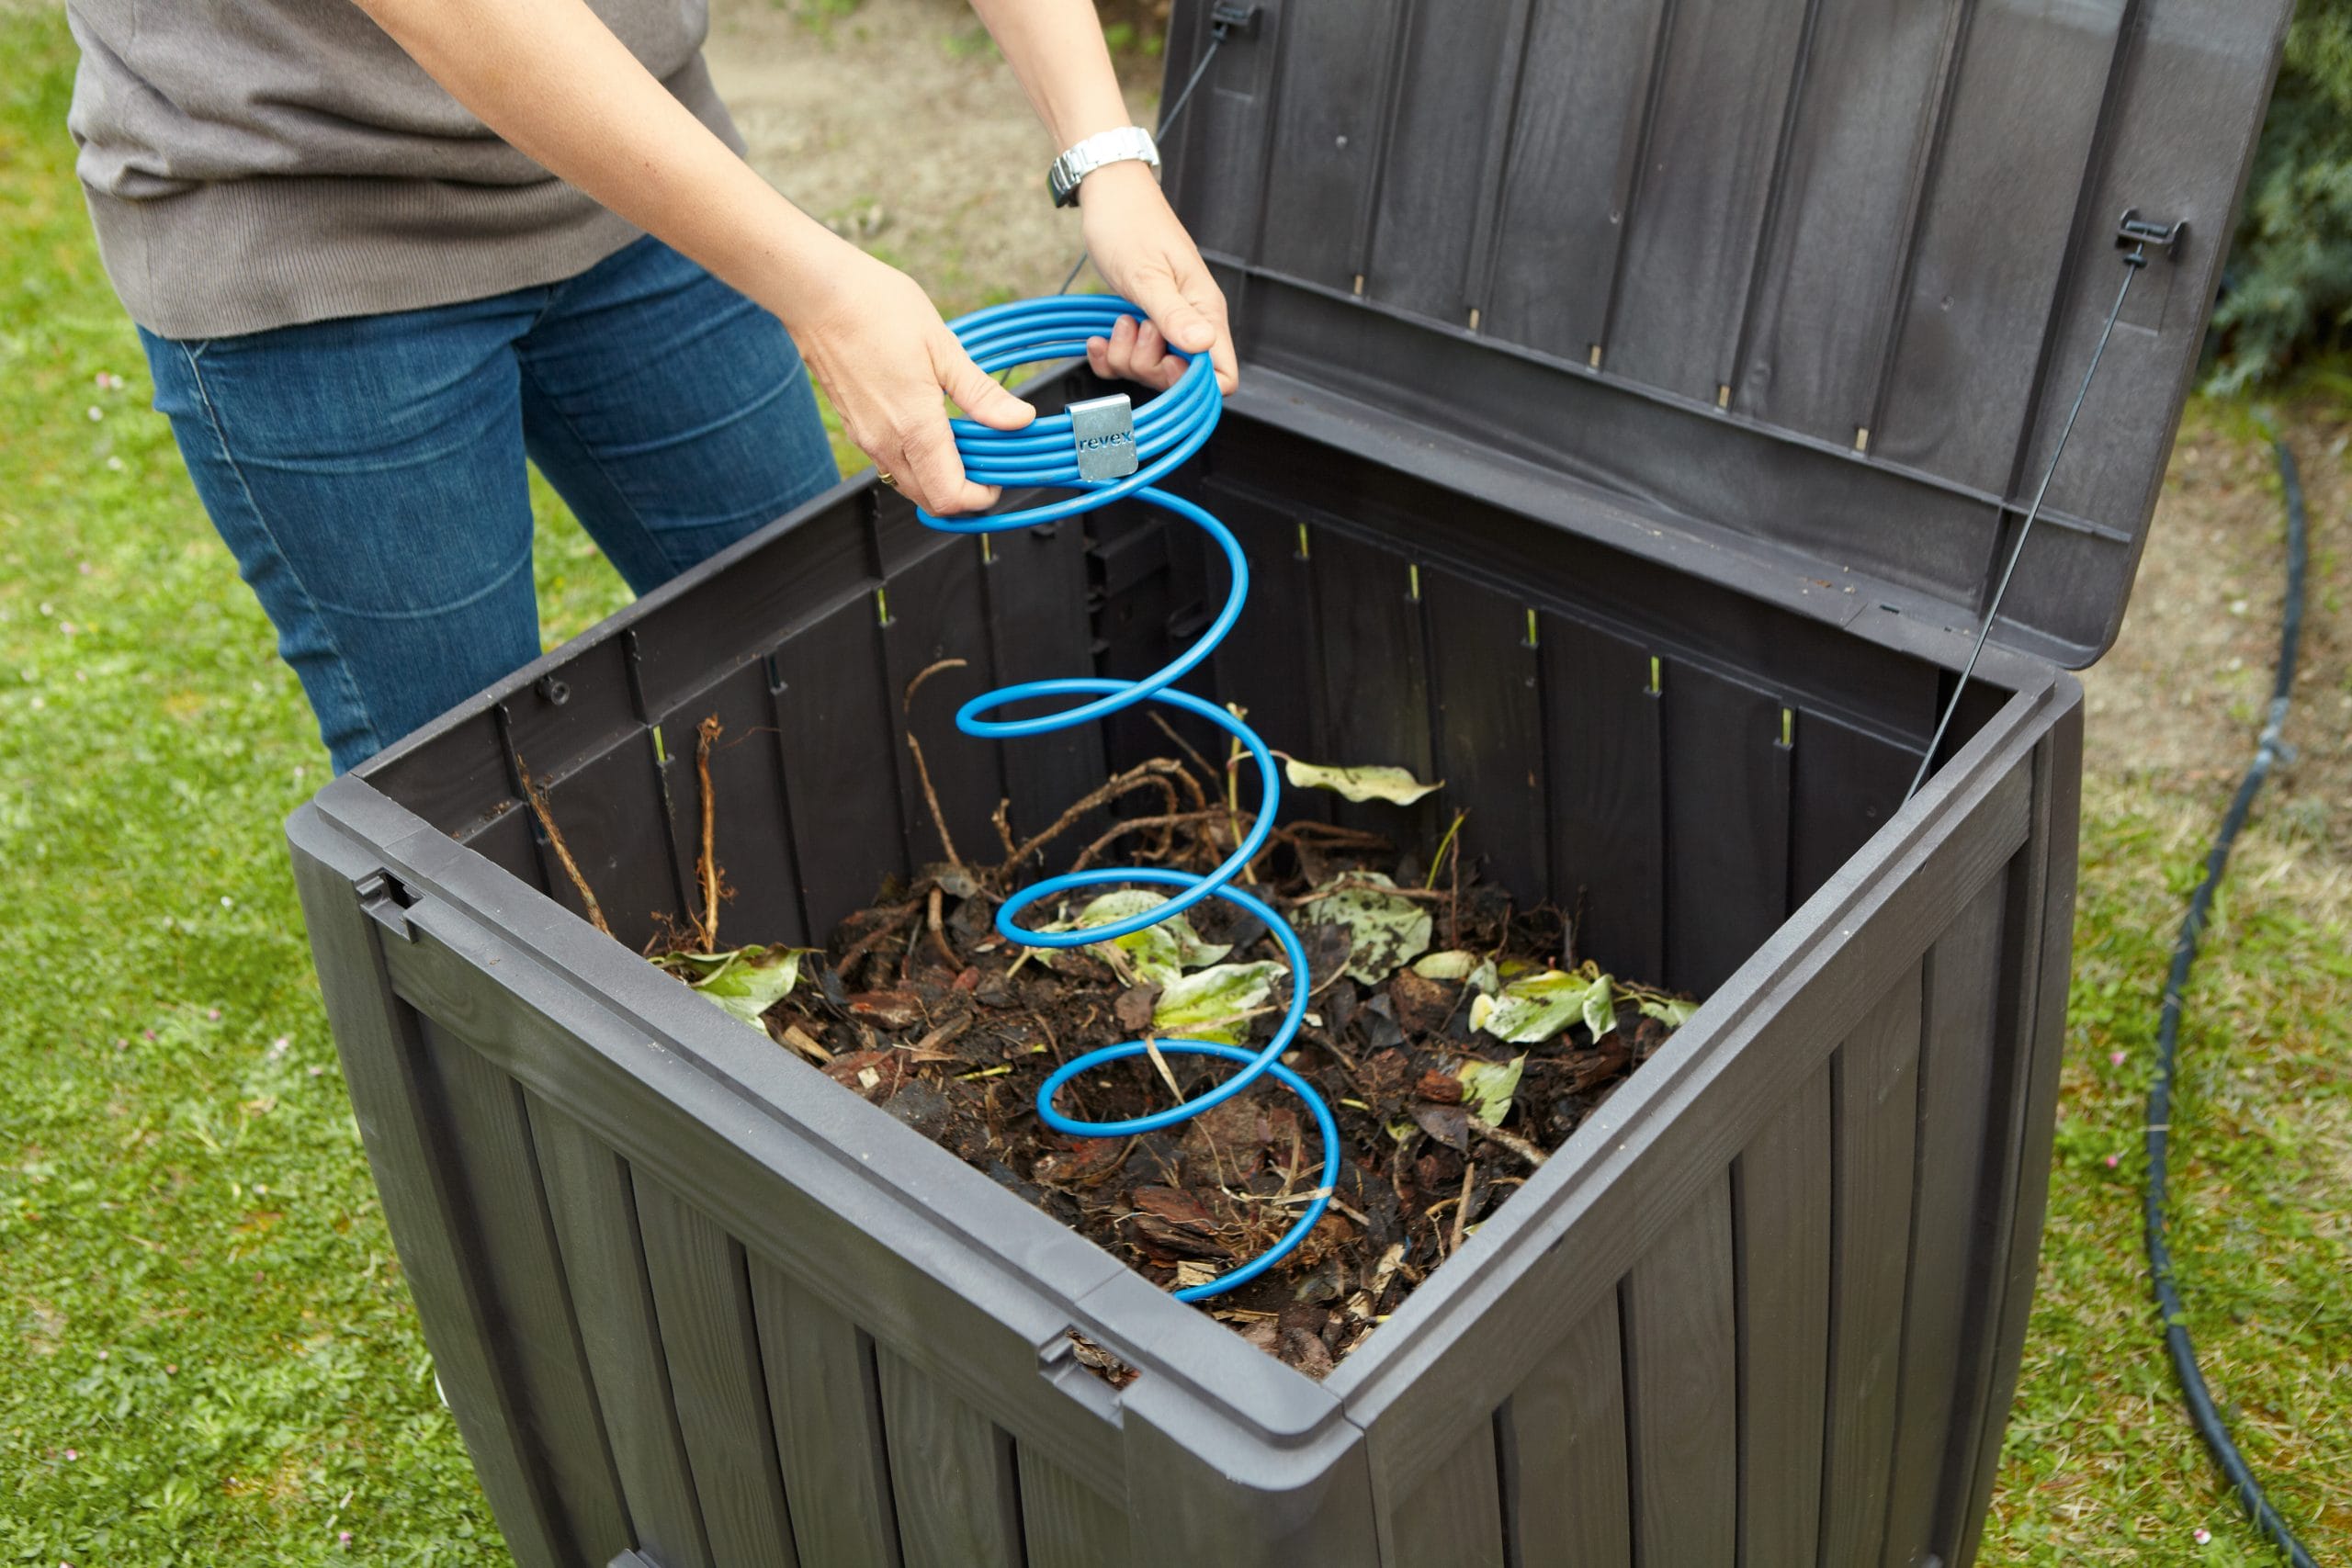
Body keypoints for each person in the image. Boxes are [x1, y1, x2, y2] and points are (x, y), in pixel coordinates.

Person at [66, 0, 1237, 773]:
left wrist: (1105, 157)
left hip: (650, 190)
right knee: (464, 791)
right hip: (304, 234)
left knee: (832, 669)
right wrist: (819, 291)